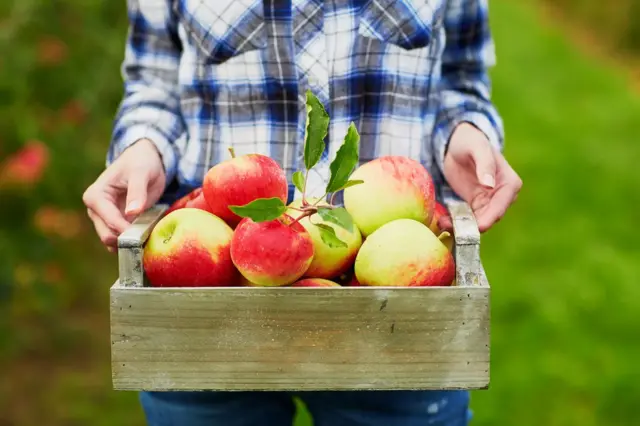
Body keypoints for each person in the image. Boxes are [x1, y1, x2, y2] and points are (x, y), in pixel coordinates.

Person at [83, 0, 522, 424]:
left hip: (396, 317)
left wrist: (464, 130)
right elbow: (154, 82)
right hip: (207, 303)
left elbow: (460, 75)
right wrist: (145, 145)